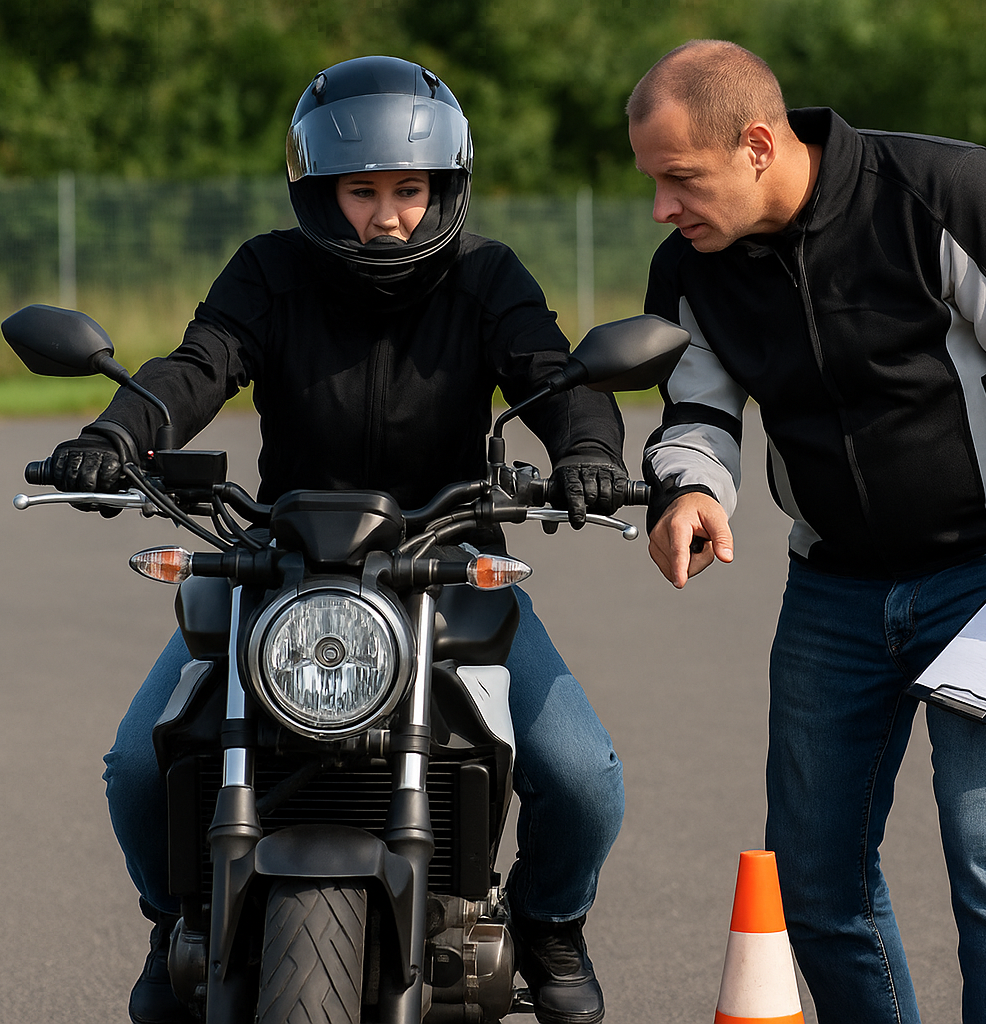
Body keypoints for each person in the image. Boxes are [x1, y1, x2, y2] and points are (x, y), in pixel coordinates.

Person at [49, 56, 623, 1024]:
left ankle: (551, 923)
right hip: (278, 561)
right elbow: (199, 365)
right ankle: (172, 918)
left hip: (444, 565)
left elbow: (555, 376)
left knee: (581, 771)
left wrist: (591, 454)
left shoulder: (488, 275)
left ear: (446, 187)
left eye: (410, 189)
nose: (389, 214)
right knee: (139, 765)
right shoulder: (270, 270)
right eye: (364, 191)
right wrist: (117, 435)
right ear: (322, 193)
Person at [626, 40, 986, 1024]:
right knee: (816, 883)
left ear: (759, 146)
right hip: (832, 592)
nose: (663, 208)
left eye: (679, 179)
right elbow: (696, 412)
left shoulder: (945, 193)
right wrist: (689, 493)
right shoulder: (691, 265)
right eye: (652, 182)